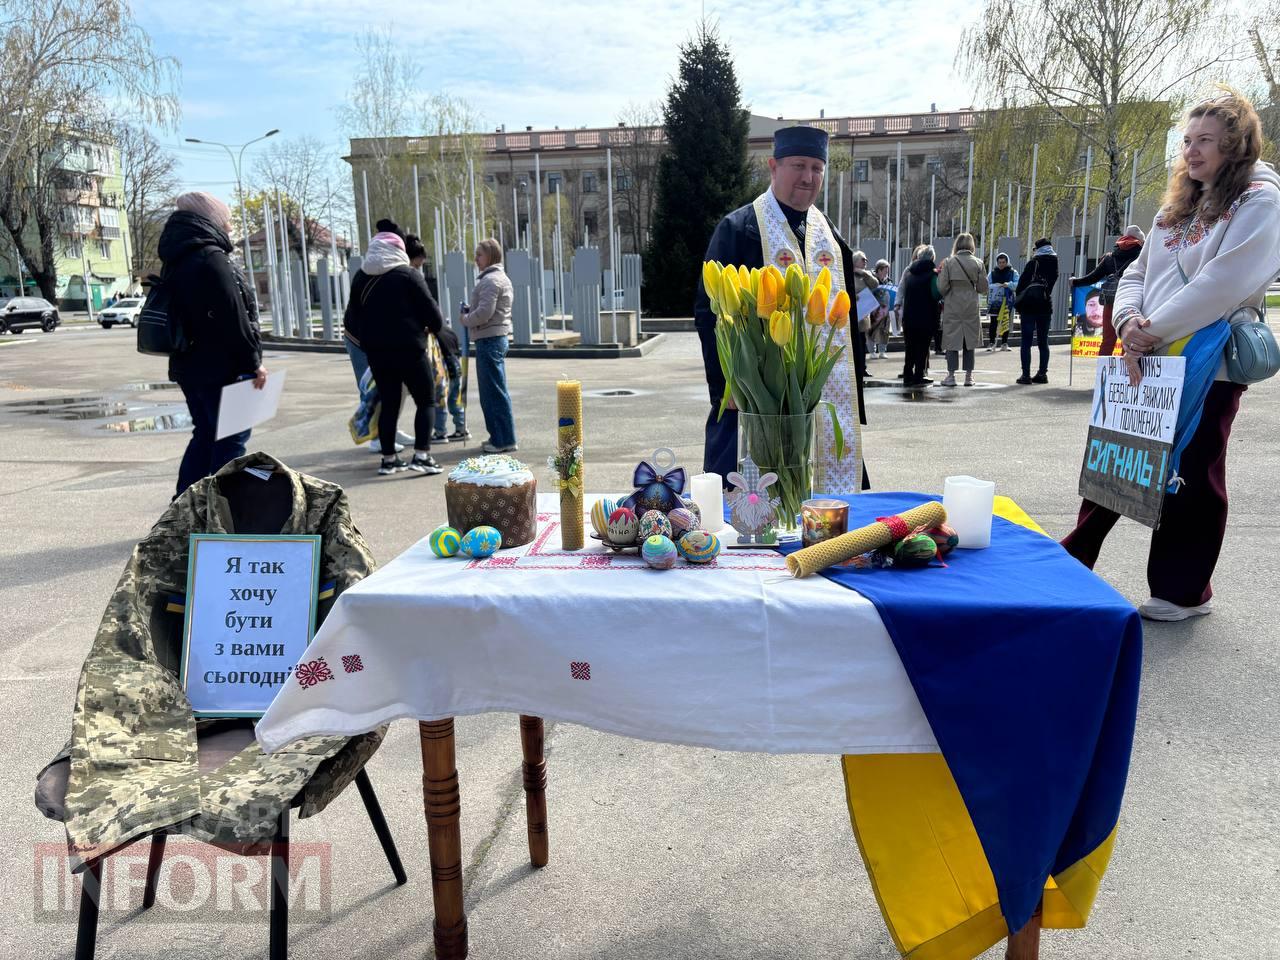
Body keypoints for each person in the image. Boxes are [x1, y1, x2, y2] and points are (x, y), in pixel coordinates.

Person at [1060, 89, 1280, 621]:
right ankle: (1073, 557)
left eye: (1206, 140)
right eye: (1187, 140)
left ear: (1236, 145)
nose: (1192, 150)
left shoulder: (1259, 200)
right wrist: (1127, 322)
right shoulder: (1176, 206)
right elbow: (1136, 273)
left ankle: (1182, 591)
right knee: (1119, 453)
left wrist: (1148, 331)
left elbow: (1224, 282)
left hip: (1208, 358)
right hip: (1147, 353)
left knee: (1194, 468)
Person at [693, 125, 869, 492]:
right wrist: (728, 387)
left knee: (828, 512)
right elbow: (710, 315)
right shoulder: (738, 229)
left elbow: (847, 321)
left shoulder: (830, 237)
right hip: (754, 401)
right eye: (798, 166)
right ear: (773, 167)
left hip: (818, 403)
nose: (808, 178)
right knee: (747, 508)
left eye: (817, 168)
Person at [161, 192, 267, 497]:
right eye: (226, 220)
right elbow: (234, 317)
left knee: (206, 435)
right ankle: (225, 508)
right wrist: (253, 363)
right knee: (231, 441)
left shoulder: (176, 257)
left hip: (188, 365)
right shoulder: (211, 258)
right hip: (225, 368)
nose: (230, 227)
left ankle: (184, 506)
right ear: (211, 219)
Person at [345, 220, 444, 476]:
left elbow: (352, 318)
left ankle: (388, 460)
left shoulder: (360, 278)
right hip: (410, 350)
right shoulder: (408, 275)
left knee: (389, 403)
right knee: (425, 400)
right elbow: (434, 317)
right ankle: (422, 456)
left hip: (378, 354)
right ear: (399, 249)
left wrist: (369, 342)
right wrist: (425, 328)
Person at [460, 238, 516, 453]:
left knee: (492, 392)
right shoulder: (499, 278)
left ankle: (502, 440)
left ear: (490, 256)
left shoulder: (490, 280)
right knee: (494, 390)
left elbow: (485, 313)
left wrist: (465, 319)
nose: (476, 259)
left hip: (489, 339)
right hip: (495, 338)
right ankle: (500, 436)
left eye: (479, 255)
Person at [1070, 225, 1145, 357]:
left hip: (1110, 303)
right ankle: (1125, 369)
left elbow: (1093, 277)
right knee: (1129, 340)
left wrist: (1075, 282)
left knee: (1108, 340)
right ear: (1140, 240)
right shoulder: (1142, 257)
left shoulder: (1110, 257)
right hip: (1132, 304)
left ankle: (1102, 368)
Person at [936, 233, 989, 387]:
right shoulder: (978, 263)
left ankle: (951, 376)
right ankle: (969, 376)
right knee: (969, 341)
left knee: (952, 340)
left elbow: (942, 287)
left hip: (953, 304)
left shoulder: (949, 262)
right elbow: (983, 288)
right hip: (971, 305)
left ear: (957, 245)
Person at [1014, 237, 1059, 384]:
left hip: (1029, 307)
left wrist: (1019, 301)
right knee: (1043, 341)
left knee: (1026, 341)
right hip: (1045, 305)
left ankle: (1026, 375)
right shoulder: (1054, 263)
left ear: (1038, 249)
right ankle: (1042, 374)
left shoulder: (1034, 262)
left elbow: (1021, 284)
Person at [898, 244, 942, 387]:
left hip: (909, 317)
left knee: (910, 347)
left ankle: (907, 375)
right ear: (932, 258)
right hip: (926, 317)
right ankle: (919, 375)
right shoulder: (932, 275)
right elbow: (936, 294)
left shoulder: (910, 273)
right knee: (922, 347)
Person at [849, 250, 879, 378]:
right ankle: (855, 368)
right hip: (852, 314)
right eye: (863, 260)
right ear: (855, 261)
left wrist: (864, 273)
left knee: (862, 343)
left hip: (863, 315)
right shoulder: (849, 274)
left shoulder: (866, 275)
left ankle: (863, 368)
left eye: (866, 260)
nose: (865, 262)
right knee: (855, 344)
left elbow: (875, 284)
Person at [986, 253, 1018, 351]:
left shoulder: (1013, 272)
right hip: (994, 301)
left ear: (1007, 262)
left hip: (1007, 300)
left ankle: (1004, 343)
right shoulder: (992, 273)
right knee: (993, 322)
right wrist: (995, 285)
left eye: (1003, 262)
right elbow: (987, 284)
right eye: (999, 262)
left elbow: (1018, 284)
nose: (1001, 264)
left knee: (1005, 321)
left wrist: (1009, 284)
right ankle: (991, 343)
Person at [866, 258, 894, 361]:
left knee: (885, 330)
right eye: (885, 271)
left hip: (885, 309)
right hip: (873, 309)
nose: (886, 274)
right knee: (871, 330)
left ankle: (882, 351)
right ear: (879, 270)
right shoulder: (871, 279)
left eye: (887, 271)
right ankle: (872, 352)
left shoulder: (888, 281)